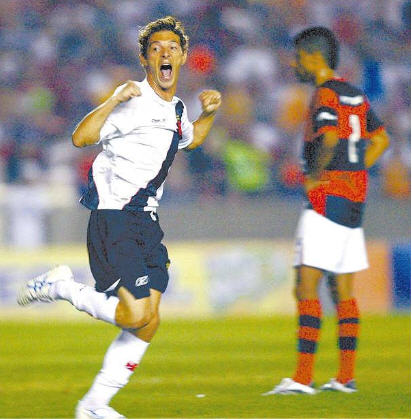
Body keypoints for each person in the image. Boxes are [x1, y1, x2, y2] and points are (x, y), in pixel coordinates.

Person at [17, 16, 221, 418]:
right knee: (135, 314)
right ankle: (61, 287)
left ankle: (93, 406)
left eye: (172, 48)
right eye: (156, 48)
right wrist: (112, 100)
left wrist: (209, 112)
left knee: (148, 323)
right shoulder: (132, 101)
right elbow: (81, 138)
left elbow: (191, 138)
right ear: (146, 59)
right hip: (115, 219)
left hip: (147, 224)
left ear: (182, 56)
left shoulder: (178, 109)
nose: (165, 53)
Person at [263, 27, 389, 395]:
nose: (294, 63)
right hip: (354, 199)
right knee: (343, 290)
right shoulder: (355, 93)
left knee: (305, 288)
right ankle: (345, 377)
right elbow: (380, 139)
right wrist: (356, 169)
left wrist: (317, 176)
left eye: (298, 57)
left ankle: (303, 379)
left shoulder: (325, 94)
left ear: (314, 57)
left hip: (327, 197)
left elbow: (330, 136)